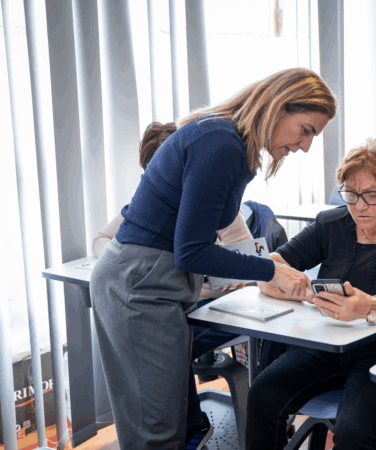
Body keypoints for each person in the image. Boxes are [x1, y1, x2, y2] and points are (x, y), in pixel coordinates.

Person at [90, 68, 337, 450]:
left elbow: (204, 240)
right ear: (279, 107)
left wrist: (265, 270)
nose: (305, 146)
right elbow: (192, 252)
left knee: (162, 426)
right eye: (306, 130)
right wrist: (269, 271)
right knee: (157, 434)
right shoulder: (222, 144)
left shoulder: (229, 143)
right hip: (142, 286)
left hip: (148, 282)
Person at [245, 138, 376, 450]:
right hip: (332, 344)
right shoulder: (332, 223)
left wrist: (367, 307)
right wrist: (306, 294)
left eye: (372, 195)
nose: (359, 206)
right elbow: (269, 269)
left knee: (352, 431)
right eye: (350, 193)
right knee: (262, 394)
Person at [91, 121, 254, 449]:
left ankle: (191, 425)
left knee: (163, 348)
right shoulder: (155, 201)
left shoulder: (213, 198)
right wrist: (135, 258)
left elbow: (246, 261)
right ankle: (190, 425)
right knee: (151, 348)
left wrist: (202, 274)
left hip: (212, 307)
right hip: (166, 299)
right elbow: (102, 239)